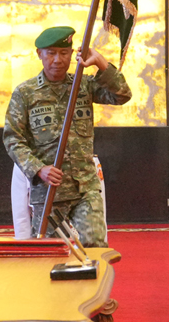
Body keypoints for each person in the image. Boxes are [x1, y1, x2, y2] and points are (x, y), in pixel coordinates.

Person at [7, 25, 131, 244]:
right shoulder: (25, 93)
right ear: (39, 54)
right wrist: (39, 169)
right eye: (51, 53)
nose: (58, 60)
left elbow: (122, 95)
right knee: (49, 254)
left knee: (95, 244)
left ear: (72, 54)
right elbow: (13, 139)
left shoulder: (83, 85)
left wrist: (100, 61)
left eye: (64, 53)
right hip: (49, 191)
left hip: (85, 188)